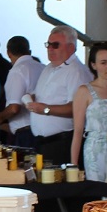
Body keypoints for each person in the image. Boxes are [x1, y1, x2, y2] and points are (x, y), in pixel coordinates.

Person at [27, 25, 93, 164]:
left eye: (55, 45)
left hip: (62, 142)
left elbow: (76, 108)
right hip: (42, 143)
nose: (50, 48)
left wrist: (45, 109)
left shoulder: (76, 72)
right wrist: (33, 99)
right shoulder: (48, 68)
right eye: (48, 44)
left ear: (70, 48)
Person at [71, 43, 107, 185]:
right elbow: (78, 131)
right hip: (96, 150)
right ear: (94, 65)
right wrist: (74, 166)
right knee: (99, 193)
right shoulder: (84, 91)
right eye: (103, 63)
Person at [0, 35, 44, 150]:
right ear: (29, 51)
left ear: (8, 53)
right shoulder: (42, 68)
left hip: (25, 133)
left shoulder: (17, 71)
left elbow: (14, 108)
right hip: (42, 128)